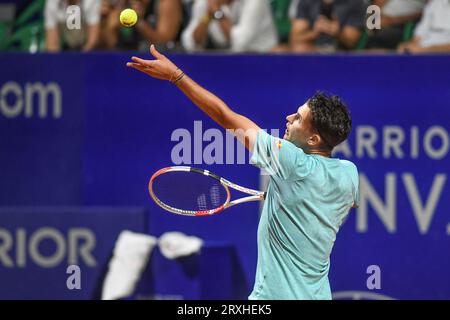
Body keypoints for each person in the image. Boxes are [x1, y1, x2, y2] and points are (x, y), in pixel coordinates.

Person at [126, 45, 359, 299]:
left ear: (314, 139)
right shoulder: (349, 173)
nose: (289, 117)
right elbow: (349, 204)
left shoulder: (291, 162)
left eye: (299, 119)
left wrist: (176, 76)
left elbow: (225, 116)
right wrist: (300, 202)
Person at [181, 0, 277, 52]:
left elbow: (240, 42)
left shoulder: (255, 2)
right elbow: (190, 42)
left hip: (262, 57)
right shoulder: (206, 2)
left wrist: (217, 11)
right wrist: (208, 16)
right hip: (225, 57)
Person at [290, 0, 366, 53]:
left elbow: (351, 42)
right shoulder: (306, 1)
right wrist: (314, 33)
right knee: (299, 48)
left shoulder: (355, 2)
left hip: (341, 53)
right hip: (314, 51)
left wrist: (337, 32)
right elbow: (295, 38)